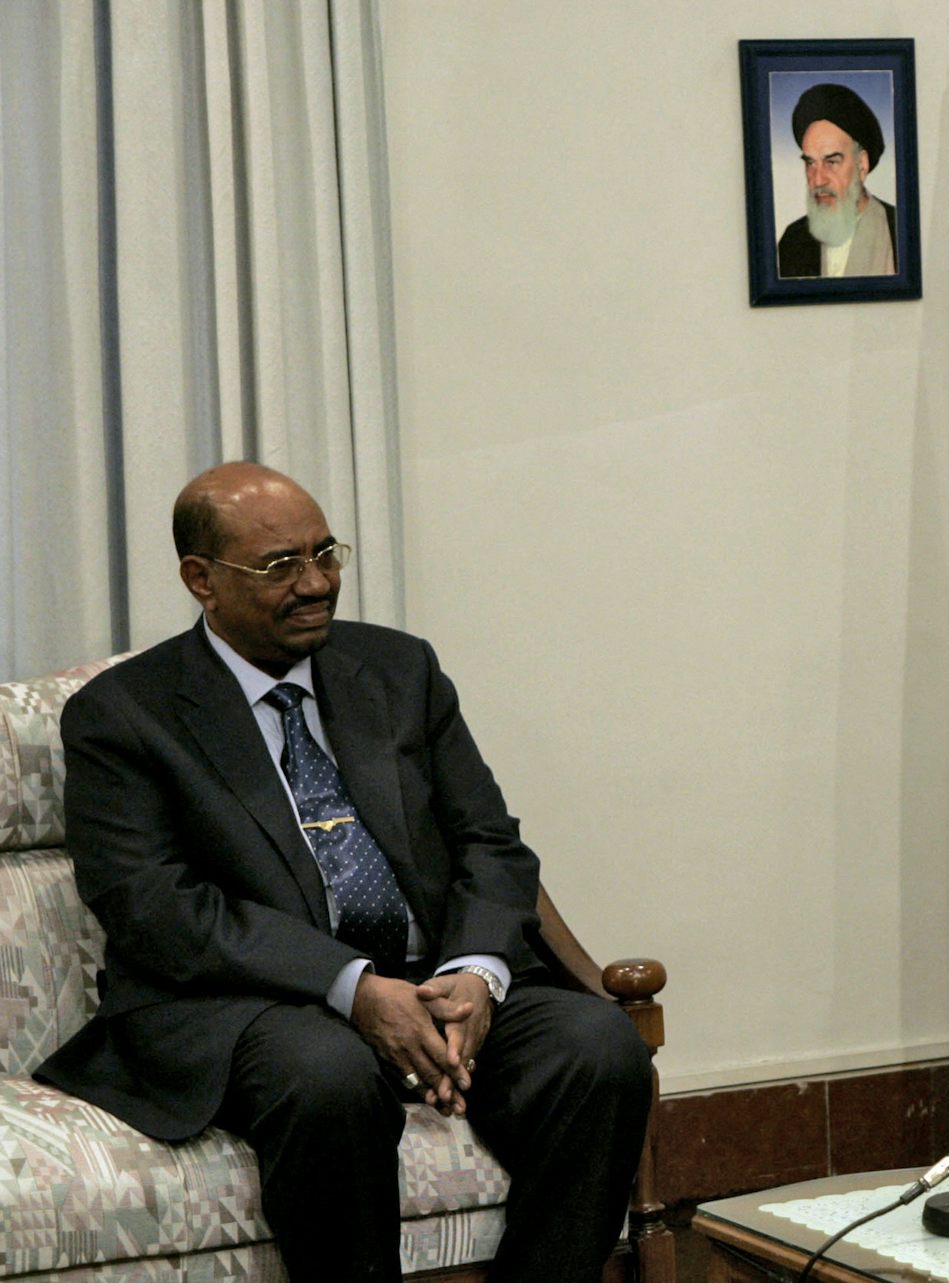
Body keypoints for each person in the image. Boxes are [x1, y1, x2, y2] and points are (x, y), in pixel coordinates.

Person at [34, 462, 652, 1283]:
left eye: (326, 553)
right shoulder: (125, 714)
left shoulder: (399, 671)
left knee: (597, 1044)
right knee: (327, 1073)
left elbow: (489, 842)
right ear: (201, 580)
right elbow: (154, 906)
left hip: (432, 976)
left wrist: (477, 970)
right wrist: (351, 985)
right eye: (280, 566)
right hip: (252, 999)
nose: (317, 582)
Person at [777, 81, 898, 279]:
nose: (818, 180)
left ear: (862, 164)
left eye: (831, 162)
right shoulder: (793, 241)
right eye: (810, 163)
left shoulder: (899, 231)